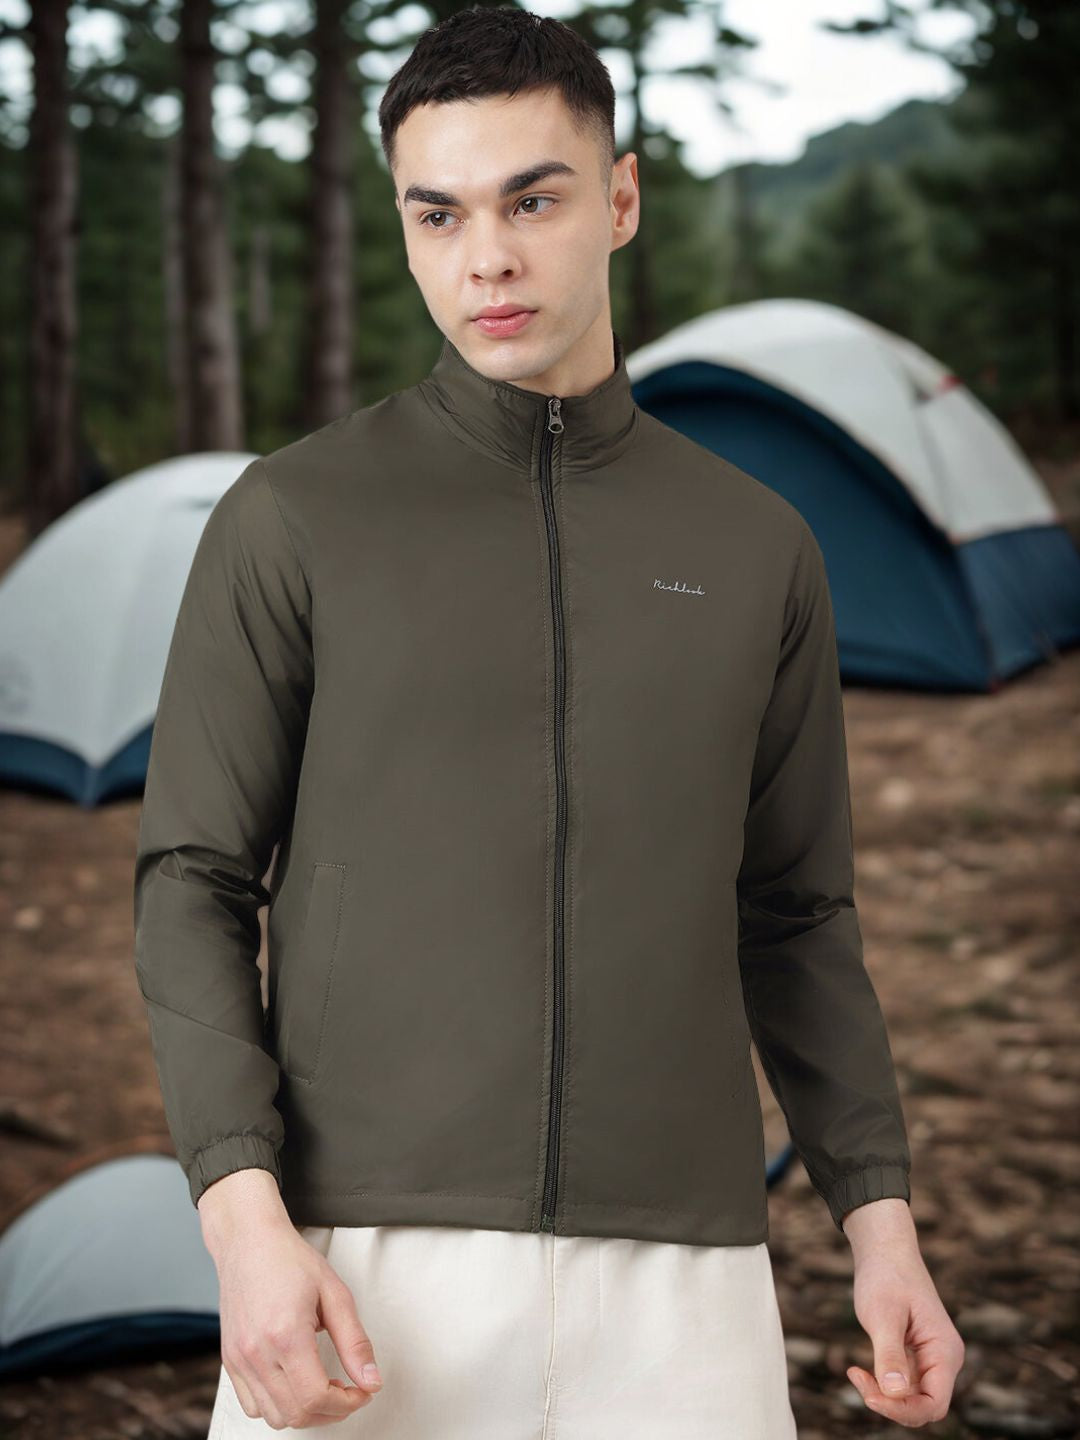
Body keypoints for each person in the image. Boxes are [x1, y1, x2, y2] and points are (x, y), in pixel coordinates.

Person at [132, 6, 965, 1435]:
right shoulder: (294, 515)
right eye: (439, 213)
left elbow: (797, 914)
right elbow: (192, 879)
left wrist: (880, 1223)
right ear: (405, 231)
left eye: (533, 199)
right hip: (359, 1259)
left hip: (683, 1280)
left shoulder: (756, 545)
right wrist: (242, 1217)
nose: (488, 259)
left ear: (621, 199)